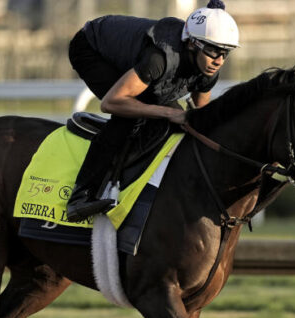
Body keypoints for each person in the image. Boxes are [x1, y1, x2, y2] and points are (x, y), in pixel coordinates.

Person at [65, 0, 241, 222]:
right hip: (91, 48)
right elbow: (111, 103)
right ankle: (81, 196)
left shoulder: (209, 70)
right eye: (213, 51)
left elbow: (200, 119)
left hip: (133, 56)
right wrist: (169, 113)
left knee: (170, 114)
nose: (219, 60)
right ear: (192, 44)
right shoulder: (158, 59)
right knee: (132, 114)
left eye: (226, 53)